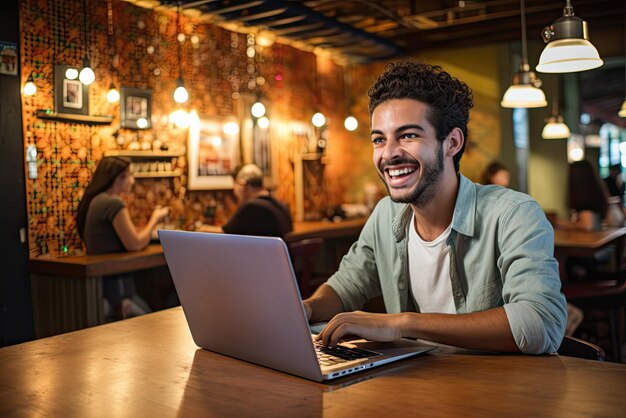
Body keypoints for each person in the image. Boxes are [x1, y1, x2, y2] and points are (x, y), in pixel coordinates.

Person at [306, 61, 567, 354]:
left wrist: (403, 323)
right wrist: (305, 309)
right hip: (416, 387)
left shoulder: (513, 213)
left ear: (452, 142)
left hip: (497, 390)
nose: (389, 153)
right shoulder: (385, 215)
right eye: (379, 139)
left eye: (408, 135)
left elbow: (541, 322)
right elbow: (345, 287)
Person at [76, 156, 169, 320]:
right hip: (117, 290)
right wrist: (155, 219)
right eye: (129, 175)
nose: (132, 181)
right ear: (118, 178)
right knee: (153, 319)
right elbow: (135, 243)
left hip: (103, 286)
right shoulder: (113, 203)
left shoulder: (97, 200)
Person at [199, 164, 293, 238]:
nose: (235, 192)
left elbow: (224, 235)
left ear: (243, 184)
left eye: (235, 186)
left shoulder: (252, 207)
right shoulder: (282, 206)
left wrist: (201, 229)